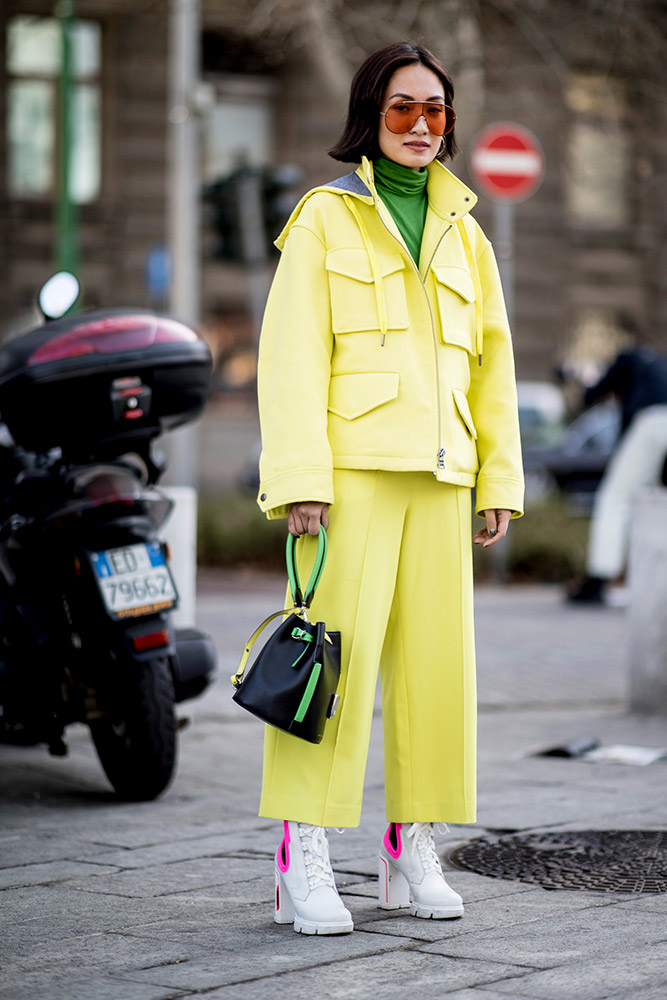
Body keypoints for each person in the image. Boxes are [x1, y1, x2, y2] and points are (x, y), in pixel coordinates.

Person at [255, 41, 524, 935]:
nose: (420, 125)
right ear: (371, 114)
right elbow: (290, 359)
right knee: (324, 674)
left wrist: (499, 479)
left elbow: (492, 370)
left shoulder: (468, 233)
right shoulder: (325, 218)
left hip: (444, 480)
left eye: (435, 111)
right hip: (348, 482)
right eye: (403, 108)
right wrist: (301, 481)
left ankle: (413, 850)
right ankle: (305, 858)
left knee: (434, 681)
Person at [568, 345, 667, 604]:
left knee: (614, 499)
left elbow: (595, 393)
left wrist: (586, 388)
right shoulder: (658, 368)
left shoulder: (629, 358)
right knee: (657, 502)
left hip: (653, 422)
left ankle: (598, 580)